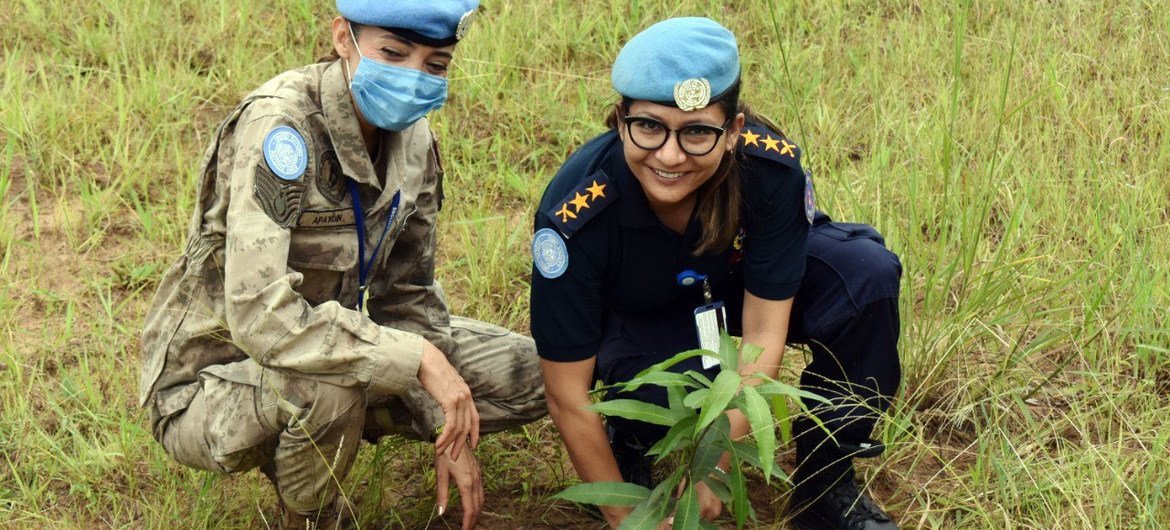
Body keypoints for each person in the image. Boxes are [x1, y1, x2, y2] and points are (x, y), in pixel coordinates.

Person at [138, 2, 545, 528]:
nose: (412, 77)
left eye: (435, 65)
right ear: (342, 38)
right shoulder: (281, 129)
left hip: (338, 342)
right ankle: (310, 514)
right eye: (393, 53)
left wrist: (445, 415)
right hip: (213, 380)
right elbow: (259, 316)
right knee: (329, 383)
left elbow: (410, 295)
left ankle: (349, 421)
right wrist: (416, 360)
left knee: (540, 373)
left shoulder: (416, 141)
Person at [530, 17, 902, 530]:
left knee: (865, 275)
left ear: (733, 131)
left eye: (698, 132)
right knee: (659, 388)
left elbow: (763, 334)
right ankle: (633, 442)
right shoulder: (577, 212)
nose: (669, 155)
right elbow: (566, 392)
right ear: (620, 122)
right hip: (646, 319)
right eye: (649, 127)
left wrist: (713, 469)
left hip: (740, 300)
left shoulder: (769, 170)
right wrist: (624, 517)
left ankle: (825, 487)